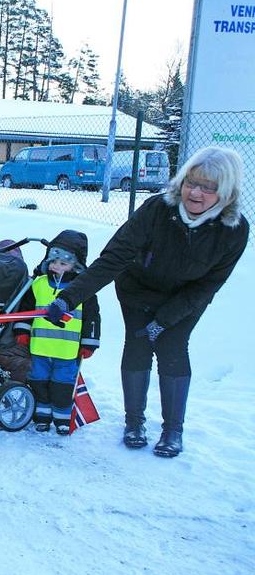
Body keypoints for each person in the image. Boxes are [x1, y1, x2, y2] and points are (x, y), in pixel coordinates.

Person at [45, 147, 248, 458]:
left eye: (208, 187)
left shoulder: (233, 230)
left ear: (226, 193)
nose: (195, 192)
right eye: (191, 182)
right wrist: (68, 298)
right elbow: (113, 259)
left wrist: (164, 320)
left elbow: (209, 284)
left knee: (173, 348)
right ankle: (134, 423)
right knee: (138, 343)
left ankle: (173, 430)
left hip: (186, 297)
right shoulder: (156, 210)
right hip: (138, 288)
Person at [14, 231, 100, 435]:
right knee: (38, 380)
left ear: (75, 266)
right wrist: (23, 330)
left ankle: (62, 417)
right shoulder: (39, 284)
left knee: (62, 384)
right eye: (53, 261)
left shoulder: (82, 290)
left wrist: (89, 342)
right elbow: (26, 309)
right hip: (39, 346)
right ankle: (41, 416)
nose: (56, 267)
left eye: (63, 263)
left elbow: (92, 318)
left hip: (68, 349)